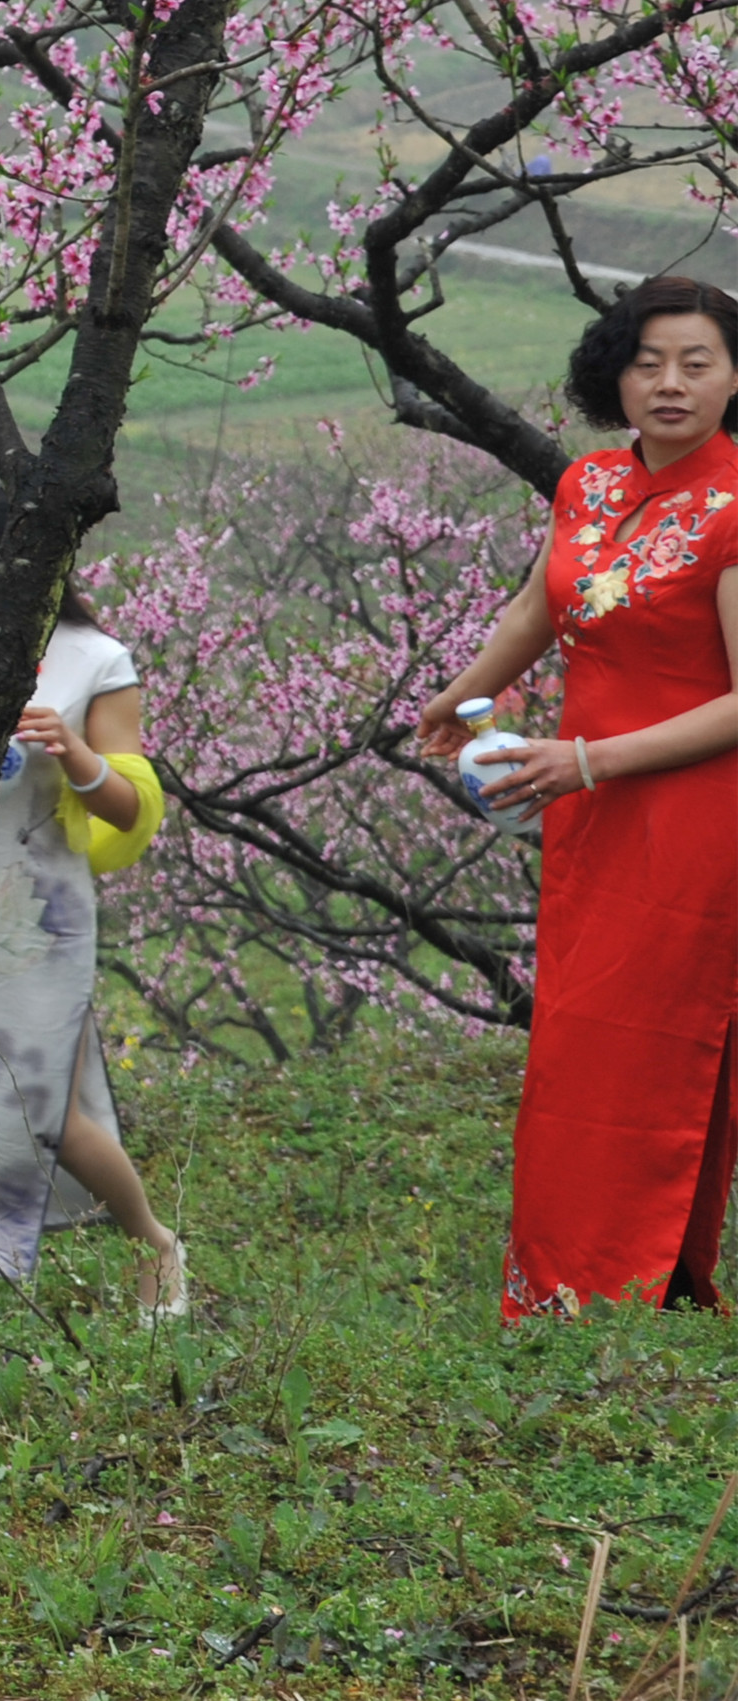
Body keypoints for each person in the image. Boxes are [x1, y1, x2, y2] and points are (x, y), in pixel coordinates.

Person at [419, 275, 738, 1317]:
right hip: (590, 807)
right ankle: (608, 1283)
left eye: (697, 362)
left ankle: (607, 1290)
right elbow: (540, 601)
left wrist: (588, 759)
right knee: (575, 1042)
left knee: (641, 1046)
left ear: (733, 377)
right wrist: (465, 688)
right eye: (648, 362)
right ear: (614, 374)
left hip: (689, 811)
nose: (670, 384)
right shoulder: (591, 484)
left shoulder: (735, 507)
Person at [0, 487, 187, 1314]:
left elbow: (132, 802)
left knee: (48, 1105)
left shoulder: (98, 658)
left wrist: (75, 751)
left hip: (41, 917)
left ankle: (156, 1244)